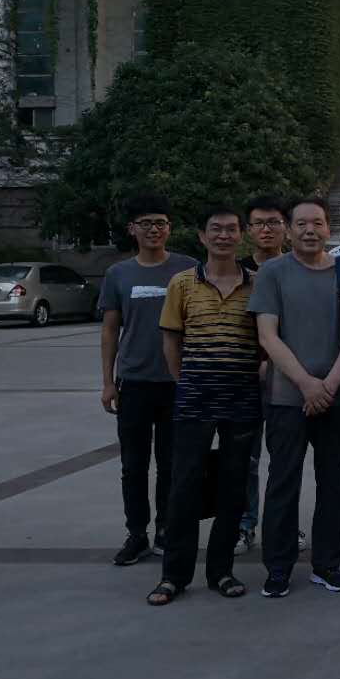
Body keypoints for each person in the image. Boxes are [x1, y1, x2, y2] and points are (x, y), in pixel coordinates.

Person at [146, 207, 262, 605]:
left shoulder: (257, 284)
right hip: (194, 399)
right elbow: (171, 339)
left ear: (241, 235)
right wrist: (184, 381)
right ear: (202, 236)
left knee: (233, 487)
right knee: (184, 486)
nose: (224, 236)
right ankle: (174, 576)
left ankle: (221, 571)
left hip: (242, 400)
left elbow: (265, 339)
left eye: (231, 229)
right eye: (216, 229)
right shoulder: (182, 283)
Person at [247, 197, 340, 597]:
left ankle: (327, 564)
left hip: (336, 397)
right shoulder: (273, 272)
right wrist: (306, 384)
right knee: (283, 481)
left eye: (318, 223)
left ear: (329, 228)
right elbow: (267, 336)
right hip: (286, 398)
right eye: (301, 224)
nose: (310, 230)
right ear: (289, 229)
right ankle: (278, 567)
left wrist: (329, 384)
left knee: (333, 481)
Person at [98, 194, 197, 566]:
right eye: (146, 223)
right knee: (133, 465)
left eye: (160, 223)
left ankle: (167, 529)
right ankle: (136, 533)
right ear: (132, 229)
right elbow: (110, 329)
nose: (153, 229)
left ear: (169, 228)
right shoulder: (118, 274)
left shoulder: (189, 269)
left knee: (172, 464)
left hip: (177, 382)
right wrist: (108, 382)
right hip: (134, 382)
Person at [234, 195, 289, 556]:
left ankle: (284, 526)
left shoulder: (299, 266)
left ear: (286, 227)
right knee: (245, 458)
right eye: (259, 223)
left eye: (274, 222)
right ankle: (244, 524)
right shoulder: (235, 271)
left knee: (286, 460)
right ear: (248, 230)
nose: (267, 230)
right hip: (244, 381)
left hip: (289, 379)